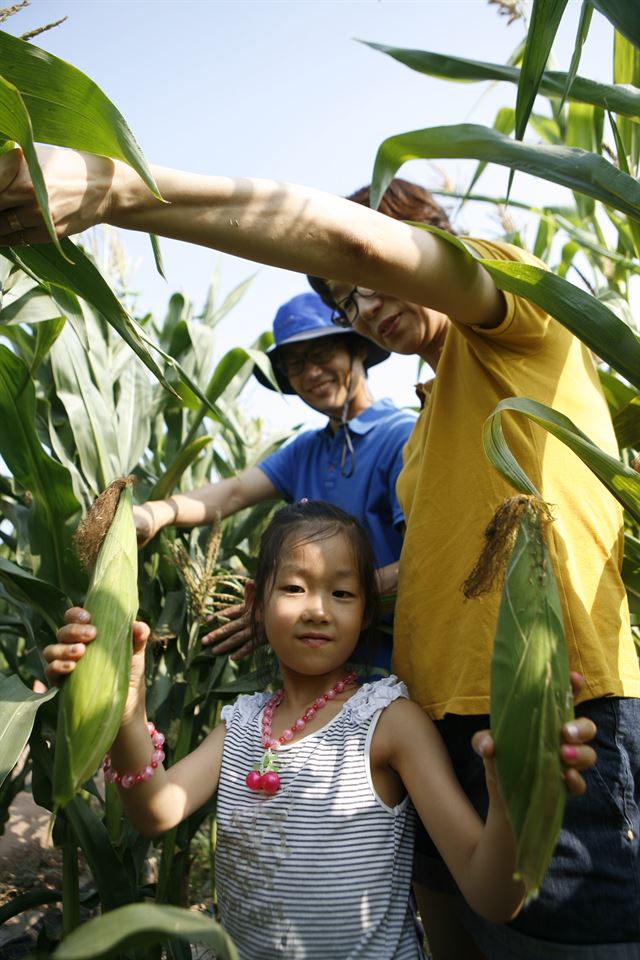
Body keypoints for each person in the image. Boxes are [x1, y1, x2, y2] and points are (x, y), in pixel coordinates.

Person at [0, 148, 637, 957]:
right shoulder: (422, 435)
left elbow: (359, 246)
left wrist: (120, 189)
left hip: (544, 709)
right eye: (345, 299)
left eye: (368, 282)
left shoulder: (521, 314)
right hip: (442, 719)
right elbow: (434, 564)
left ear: (435, 242)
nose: (366, 304)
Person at [44, 501, 596, 960]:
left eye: (342, 593)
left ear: (366, 613)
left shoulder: (387, 722)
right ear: (256, 606)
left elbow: (489, 891)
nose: (318, 610)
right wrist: (123, 706)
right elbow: (156, 809)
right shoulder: (240, 723)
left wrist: (512, 797)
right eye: (293, 588)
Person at [133, 290, 415, 660]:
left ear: (358, 348)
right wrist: (155, 513)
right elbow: (232, 493)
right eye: (295, 364)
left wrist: (295, 609)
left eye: (320, 353)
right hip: (315, 671)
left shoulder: (402, 436)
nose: (311, 373)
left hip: (389, 666)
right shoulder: (307, 450)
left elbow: (422, 559)